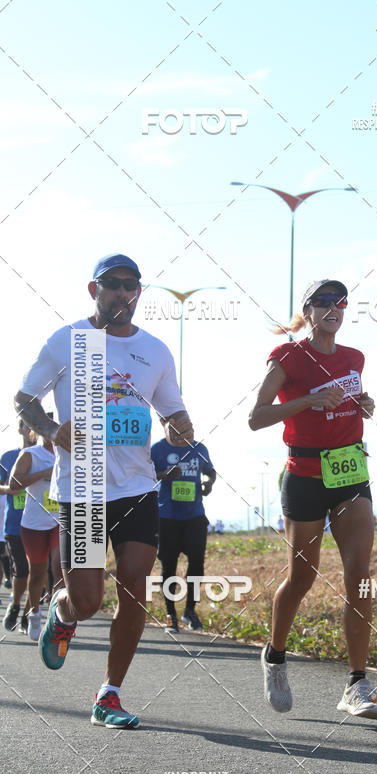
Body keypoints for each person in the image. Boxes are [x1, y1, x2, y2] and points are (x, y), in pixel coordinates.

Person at [15, 253, 193, 729]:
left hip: (136, 485)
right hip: (85, 485)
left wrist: (180, 426)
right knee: (90, 600)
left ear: (138, 293)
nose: (122, 293)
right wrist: (53, 431)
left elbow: (171, 409)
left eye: (130, 286)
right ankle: (64, 610)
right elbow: (24, 399)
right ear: (93, 291)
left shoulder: (155, 351)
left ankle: (108, 695)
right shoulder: (69, 340)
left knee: (136, 586)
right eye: (112, 284)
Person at [249, 278, 377, 719]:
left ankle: (356, 684)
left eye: (339, 302)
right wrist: (308, 400)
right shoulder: (288, 356)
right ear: (308, 312)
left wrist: (363, 404)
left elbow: (347, 404)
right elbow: (256, 417)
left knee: (359, 575)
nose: (333, 308)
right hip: (304, 473)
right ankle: (275, 655)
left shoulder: (354, 357)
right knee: (302, 579)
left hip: (350, 470)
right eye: (322, 302)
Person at [150, 438, 216, 633]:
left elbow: (210, 471)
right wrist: (164, 475)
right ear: (167, 428)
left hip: (194, 516)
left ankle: (190, 611)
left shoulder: (200, 448)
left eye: (189, 429)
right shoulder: (157, 449)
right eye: (177, 429)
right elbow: (144, 475)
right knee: (169, 566)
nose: (184, 433)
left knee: (197, 564)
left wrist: (209, 482)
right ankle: (171, 615)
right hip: (167, 517)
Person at [9, 420, 62, 640]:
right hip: (34, 523)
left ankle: (58, 617)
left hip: (61, 520)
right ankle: (34, 613)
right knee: (37, 572)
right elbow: (13, 484)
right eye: (46, 431)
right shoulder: (30, 454)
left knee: (60, 568)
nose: (51, 436)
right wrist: (42, 474)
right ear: (39, 433)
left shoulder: (69, 454)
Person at [0, 420, 36, 631]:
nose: (31, 430)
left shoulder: (49, 456)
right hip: (15, 524)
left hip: (41, 523)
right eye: (27, 426)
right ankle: (15, 605)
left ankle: (27, 615)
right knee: (21, 570)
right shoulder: (8, 457)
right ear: (20, 429)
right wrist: (8, 489)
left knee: (37, 570)